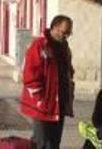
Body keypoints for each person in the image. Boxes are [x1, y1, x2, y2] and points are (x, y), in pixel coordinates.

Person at [19, 15, 75, 149]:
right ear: (55, 27)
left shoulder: (64, 47)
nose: (66, 35)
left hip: (59, 103)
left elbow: (68, 70)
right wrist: (39, 98)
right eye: (64, 32)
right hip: (43, 104)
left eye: (69, 33)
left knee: (55, 143)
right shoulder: (40, 45)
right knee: (42, 142)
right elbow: (30, 73)